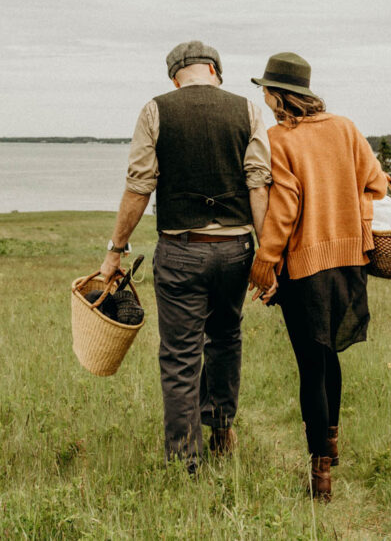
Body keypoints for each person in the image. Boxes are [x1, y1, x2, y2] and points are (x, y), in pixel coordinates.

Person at [99, 40, 272, 472]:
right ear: (214, 70)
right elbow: (258, 184)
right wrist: (266, 253)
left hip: (181, 250)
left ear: (175, 76)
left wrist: (115, 251)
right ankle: (221, 430)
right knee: (226, 338)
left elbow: (139, 187)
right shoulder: (248, 110)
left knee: (180, 355)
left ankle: (184, 463)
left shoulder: (156, 110)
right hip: (236, 250)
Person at [247, 52, 387, 501]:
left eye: (265, 89)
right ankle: (330, 443)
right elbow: (376, 184)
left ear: (277, 95)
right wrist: (354, 224)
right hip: (350, 263)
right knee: (330, 357)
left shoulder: (277, 138)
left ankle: (320, 475)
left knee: (311, 365)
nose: (263, 96)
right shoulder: (345, 128)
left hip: (305, 268)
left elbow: (284, 207)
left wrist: (265, 261)